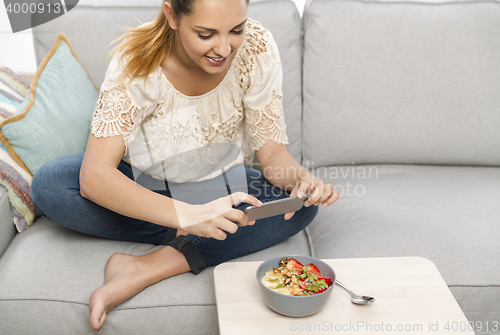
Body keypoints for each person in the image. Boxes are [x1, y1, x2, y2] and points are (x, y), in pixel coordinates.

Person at [31, 0, 340, 332]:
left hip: (221, 188)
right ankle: (195, 231)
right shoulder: (136, 60)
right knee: (52, 183)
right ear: (172, 15)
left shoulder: (256, 47)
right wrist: (189, 216)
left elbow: (273, 153)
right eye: (206, 34)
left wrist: (301, 179)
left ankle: (148, 266)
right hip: (142, 189)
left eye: (236, 30)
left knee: (301, 207)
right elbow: (94, 177)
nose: (224, 48)